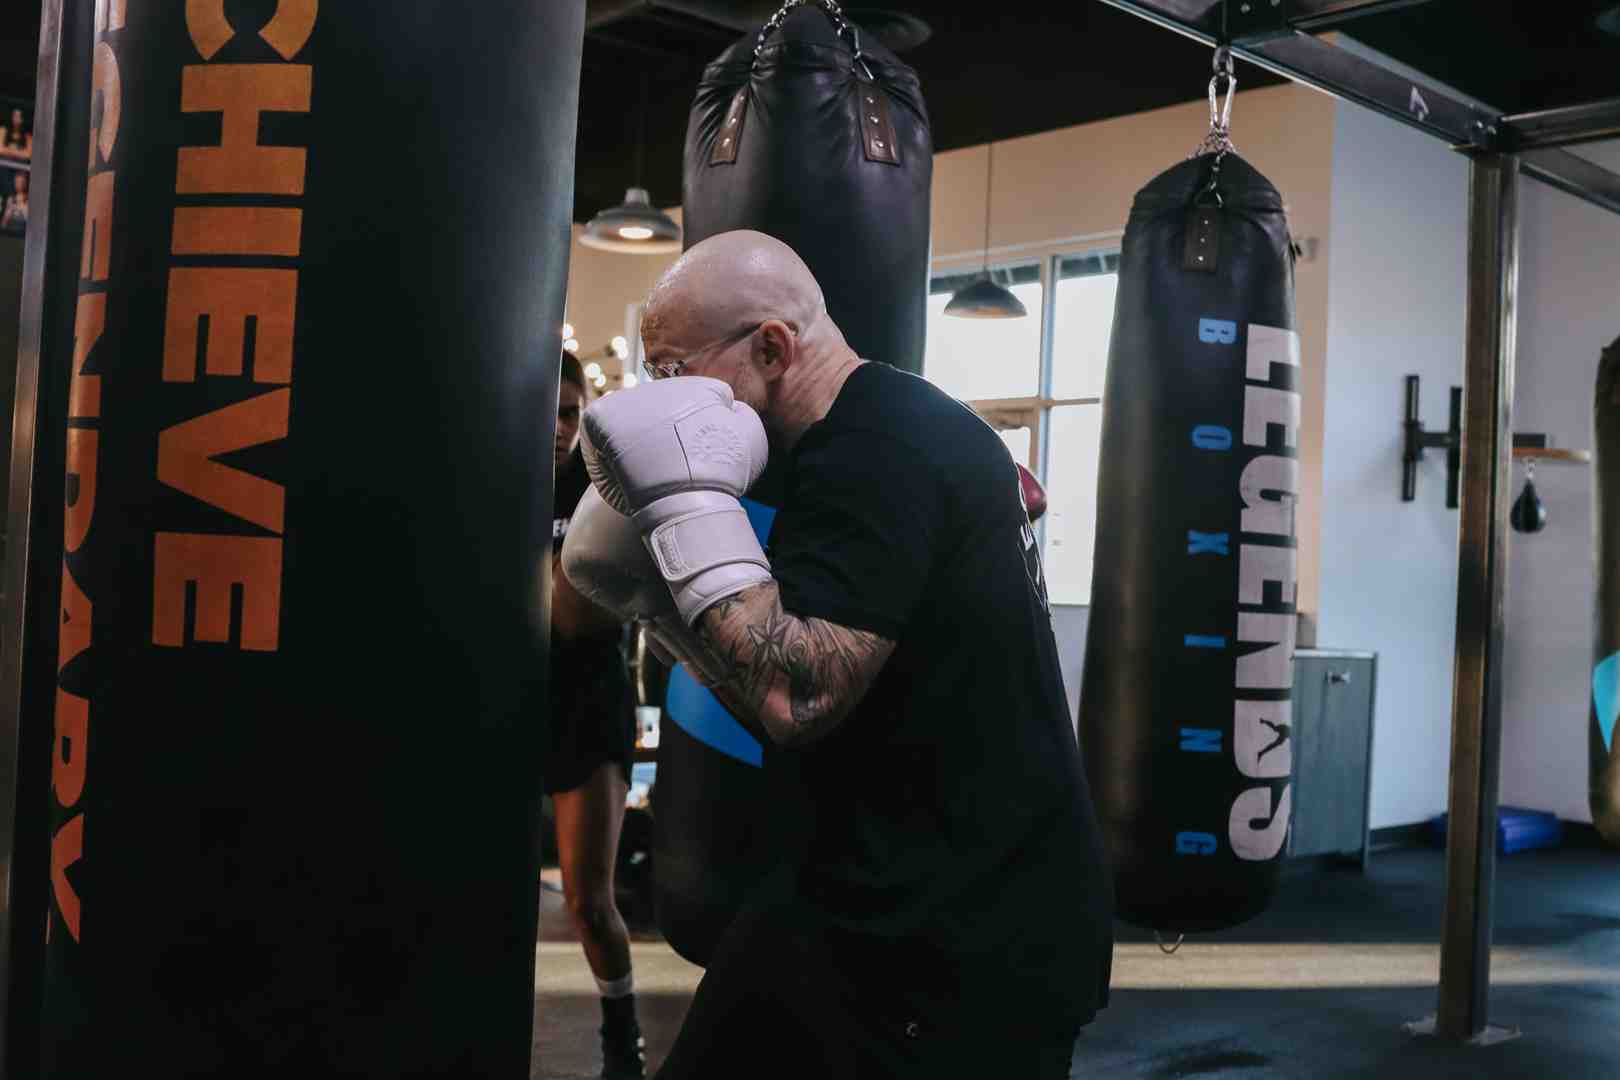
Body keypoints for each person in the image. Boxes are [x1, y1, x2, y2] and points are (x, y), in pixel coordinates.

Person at [563, 231, 1113, 1079]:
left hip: (964, 932)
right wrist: (656, 606)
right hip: (856, 889)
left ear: (772, 348)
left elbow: (800, 699)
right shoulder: (856, 436)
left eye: (673, 373)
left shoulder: (878, 452)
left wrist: (680, 516)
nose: (661, 399)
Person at [546, 350, 646, 1080]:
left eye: (569, 413)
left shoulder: (599, 485)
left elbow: (578, 616)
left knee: (588, 899)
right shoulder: (481, 465)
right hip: (503, 700)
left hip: (587, 697)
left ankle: (623, 1036)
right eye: (545, 411)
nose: (555, 428)